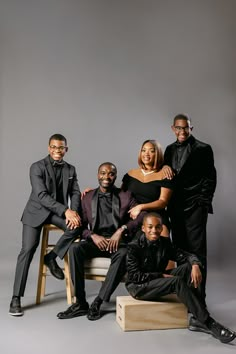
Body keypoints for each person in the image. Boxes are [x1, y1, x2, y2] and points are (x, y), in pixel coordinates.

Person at [126, 212, 235, 344]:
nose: (154, 230)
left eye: (157, 227)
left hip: (158, 279)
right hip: (139, 286)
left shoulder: (164, 243)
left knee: (190, 267)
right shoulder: (134, 247)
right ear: (143, 228)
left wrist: (195, 264)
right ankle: (209, 323)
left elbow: (184, 255)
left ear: (161, 228)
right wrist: (160, 275)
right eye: (150, 227)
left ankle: (197, 317)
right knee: (176, 281)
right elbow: (134, 276)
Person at [57, 162, 145, 321]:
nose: (106, 177)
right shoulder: (87, 197)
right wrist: (92, 235)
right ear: (98, 175)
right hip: (96, 242)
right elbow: (81, 226)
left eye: (111, 174)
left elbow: (141, 216)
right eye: (103, 173)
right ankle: (80, 303)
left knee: (125, 254)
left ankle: (98, 301)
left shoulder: (126, 195)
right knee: (74, 249)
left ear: (115, 176)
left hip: (118, 243)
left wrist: (121, 230)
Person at [9, 134, 82, 316]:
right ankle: (16, 297)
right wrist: (66, 211)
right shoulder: (37, 167)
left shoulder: (71, 169)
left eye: (61, 147)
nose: (57, 150)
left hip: (56, 213)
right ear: (49, 148)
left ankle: (51, 257)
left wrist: (74, 212)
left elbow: (75, 193)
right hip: (36, 213)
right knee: (27, 250)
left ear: (66, 149)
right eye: (54, 147)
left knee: (77, 227)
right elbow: (41, 196)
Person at [164, 114, 217, 305]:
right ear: (173, 129)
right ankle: (186, 296)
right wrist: (164, 169)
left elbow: (210, 177)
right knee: (180, 251)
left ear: (191, 128)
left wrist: (203, 202)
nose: (182, 131)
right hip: (175, 207)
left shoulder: (203, 149)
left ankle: (199, 298)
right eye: (178, 128)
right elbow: (165, 174)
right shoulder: (168, 150)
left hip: (196, 207)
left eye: (185, 128)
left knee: (197, 252)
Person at [122, 139, 173, 236]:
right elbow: (119, 195)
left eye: (151, 151)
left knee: (161, 244)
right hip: (133, 216)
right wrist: (94, 192)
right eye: (143, 150)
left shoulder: (165, 175)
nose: (146, 154)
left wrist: (141, 207)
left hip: (156, 216)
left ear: (157, 154)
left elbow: (163, 202)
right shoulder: (130, 174)